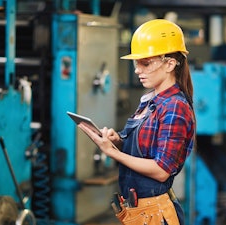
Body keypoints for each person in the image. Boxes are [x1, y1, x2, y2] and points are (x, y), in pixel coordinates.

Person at [78, 19, 196, 225]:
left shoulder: (175, 107)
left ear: (169, 63)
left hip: (155, 214)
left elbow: (161, 170)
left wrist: (113, 153)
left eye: (146, 63)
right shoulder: (149, 101)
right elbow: (145, 151)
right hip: (138, 211)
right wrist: (118, 142)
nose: (137, 70)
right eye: (136, 63)